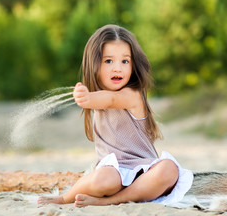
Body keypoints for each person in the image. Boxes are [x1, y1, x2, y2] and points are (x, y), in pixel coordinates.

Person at [37, 24, 193, 207]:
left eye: (125, 61)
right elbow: (104, 99)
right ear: (94, 64)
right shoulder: (98, 99)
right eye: (108, 61)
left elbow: (111, 99)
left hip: (144, 174)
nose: (117, 68)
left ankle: (112, 201)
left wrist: (88, 97)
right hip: (112, 173)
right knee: (104, 180)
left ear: (134, 65)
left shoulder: (132, 95)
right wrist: (88, 96)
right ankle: (65, 198)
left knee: (169, 168)